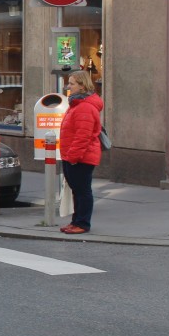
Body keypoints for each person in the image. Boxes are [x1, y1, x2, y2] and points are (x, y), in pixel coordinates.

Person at [59, 70, 103, 234]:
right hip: (72, 155)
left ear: (82, 86)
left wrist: (73, 157)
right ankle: (76, 221)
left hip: (80, 157)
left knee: (82, 191)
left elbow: (83, 135)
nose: (68, 87)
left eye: (71, 84)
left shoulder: (84, 107)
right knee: (77, 190)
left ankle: (83, 223)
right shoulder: (76, 104)